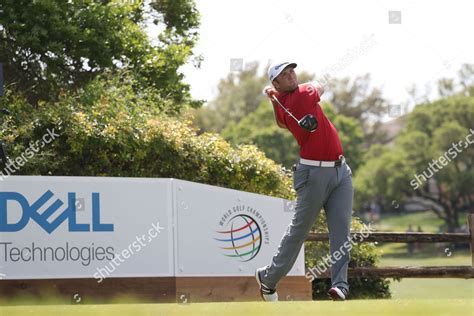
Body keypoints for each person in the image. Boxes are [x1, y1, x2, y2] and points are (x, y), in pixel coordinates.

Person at [255, 62, 353, 302]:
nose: (291, 76)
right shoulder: (301, 94)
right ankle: (268, 279)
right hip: (313, 174)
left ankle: (340, 285)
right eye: (284, 75)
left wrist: (274, 95)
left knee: (341, 231)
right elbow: (320, 85)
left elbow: (280, 122)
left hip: (341, 171)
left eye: (291, 71)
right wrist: (277, 94)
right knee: (299, 231)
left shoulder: (281, 105)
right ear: (275, 83)